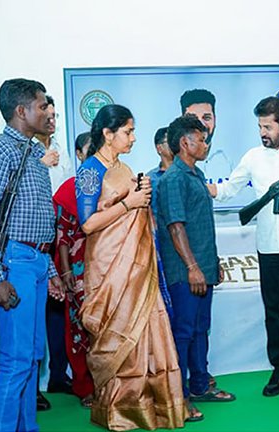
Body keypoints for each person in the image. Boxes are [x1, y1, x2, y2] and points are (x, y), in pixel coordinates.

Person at [76, 104, 186, 430]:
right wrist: (129, 203)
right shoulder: (90, 171)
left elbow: (136, 213)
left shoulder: (124, 169)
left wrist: (140, 200)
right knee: (116, 332)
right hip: (108, 267)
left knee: (144, 332)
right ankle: (118, 409)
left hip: (136, 268)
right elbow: (87, 224)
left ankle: (148, 406)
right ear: (108, 134)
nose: (134, 138)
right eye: (128, 131)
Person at [208, 96, 279, 397]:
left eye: (268, 127)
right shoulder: (253, 157)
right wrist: (195, 181)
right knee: (273, 311)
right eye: (260, 126)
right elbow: (227, 189)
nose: (263, 132)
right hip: (269, 246)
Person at [0, 78, 66, 431]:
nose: (48, 112)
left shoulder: (34, 153)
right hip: (13, 262)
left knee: (32, 357)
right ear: (22, 111)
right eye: (42, 106)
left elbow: (37, 221)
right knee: (15, 359)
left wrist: (50, 269)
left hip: (37, 261)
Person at [156, 115, 235, 422]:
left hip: (202, 267)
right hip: (184, 271)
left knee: (201, 328)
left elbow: (199, 224)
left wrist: (211, 264)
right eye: (201, 139)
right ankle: (180, 397)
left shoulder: (196, 174)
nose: (206, 144)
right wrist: (192, 267)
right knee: (184, 332)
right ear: (185, 143)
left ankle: (201, 386)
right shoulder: (173, 179)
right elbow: (175, 227)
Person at [52, 132, 94, 408]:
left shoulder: (112, 186)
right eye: (90, 150)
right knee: (80, 327)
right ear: (79, 154)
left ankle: (110, 383)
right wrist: (66, 273)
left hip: (109, 269)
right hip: (78, 272)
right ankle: (84, 385)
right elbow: (62, 236)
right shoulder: (69, 189)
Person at [180, 88, 233, 184]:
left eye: (207, 118)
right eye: (193, 118)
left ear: (215, 120)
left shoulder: (230, 159)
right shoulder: (170, 159)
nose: (201, 124)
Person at [36, 95, 74, 192]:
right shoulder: (25, 149)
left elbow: (69, 184)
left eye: (53, 116)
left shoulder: (60, 150)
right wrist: (41, 164)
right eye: (47, 118)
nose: (52, 121)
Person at [147, 126, 172, 218]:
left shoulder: (188, 173)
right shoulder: (150, 178)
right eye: (170, 141)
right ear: (159, 148)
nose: (174, 145)